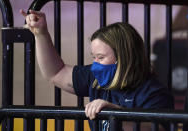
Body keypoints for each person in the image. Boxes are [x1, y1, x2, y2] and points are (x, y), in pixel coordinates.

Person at [20, 9, 174, 131]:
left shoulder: (153, 92)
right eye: (94, 57)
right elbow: (55, 73)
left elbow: (156, 128)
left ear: (124, 57)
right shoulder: (95, 78)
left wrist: (116, 114)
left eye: (100, 57)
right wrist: (41, 34)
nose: (95, 64)